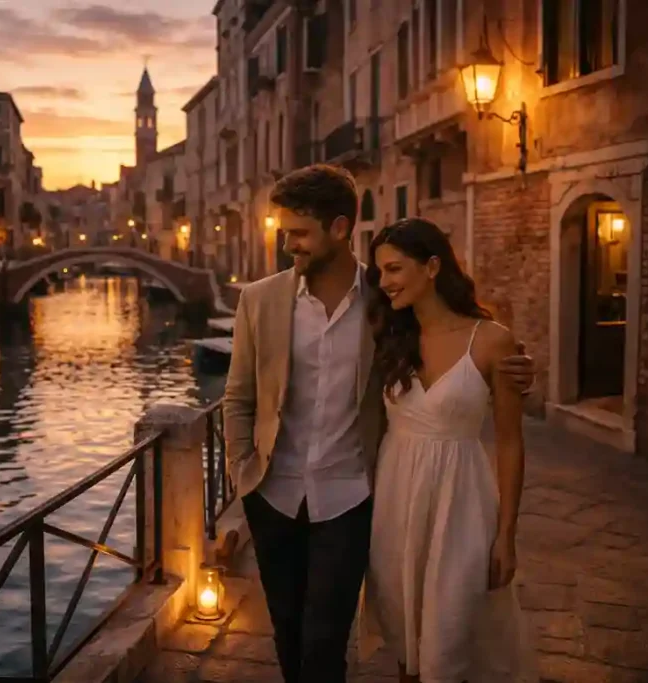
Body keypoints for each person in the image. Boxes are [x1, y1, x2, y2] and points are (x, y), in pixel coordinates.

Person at [222, 164, 536, 683]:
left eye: (299, 233)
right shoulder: (260, 300)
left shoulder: (386, 305)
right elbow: (238, 397)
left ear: (340, 229)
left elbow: (457, 339)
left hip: (350, 497)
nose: (288, 246)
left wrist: (517, 369)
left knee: (326, 639)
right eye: (285, 233)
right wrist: (242, 472)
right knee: (287, 631)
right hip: (272, 494)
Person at [365, 217, 537, 683]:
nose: (385, 283)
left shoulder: (493, 341)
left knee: (452, 637)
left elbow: (509, 442)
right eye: (380, 272)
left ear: (433, 266)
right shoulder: (386, 335)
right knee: (405, 642)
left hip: (461, 502)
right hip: (395, 501)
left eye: (395, 269)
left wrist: (506, 533)